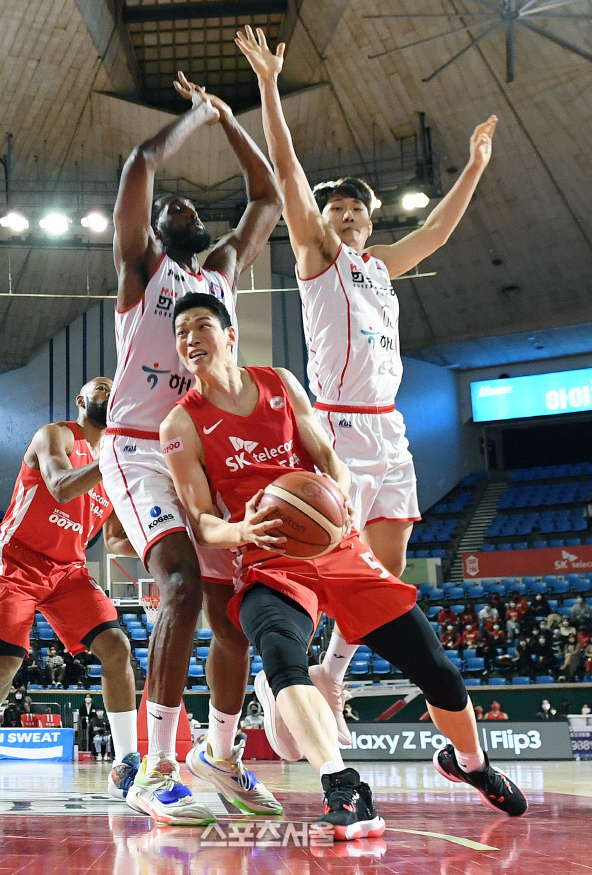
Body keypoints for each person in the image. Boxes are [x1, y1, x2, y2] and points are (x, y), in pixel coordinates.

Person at [158, 293, 526, 837]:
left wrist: (343, 491)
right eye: (181, 331)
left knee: (436, 670)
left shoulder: (280, 384)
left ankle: (471, 764)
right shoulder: (180, 424)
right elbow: (202, 521)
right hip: (265, 561)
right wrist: (242, 531)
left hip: (338, 547)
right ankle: (344, 788)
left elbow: (329, 457)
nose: (191, 339)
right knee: (282, 660)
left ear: (230, 334)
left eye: (202, 326)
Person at [236, 25, 498, 744]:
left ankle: (330, 673)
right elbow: (288, 175)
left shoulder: (380, 266)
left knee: (386, 567)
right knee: (326, 557)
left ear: (369, 219)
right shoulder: (318, 261)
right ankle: (278, 670)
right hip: (338, 425)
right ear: (318, 223)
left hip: (388, 426)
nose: (345, 216)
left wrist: (473, 165)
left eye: (355, 209)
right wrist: (267, 86)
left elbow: (438, 232)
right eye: (334, 210)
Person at [99, 72, 283, 826]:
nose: (176, 203)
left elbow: (266, 198)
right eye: (168, 206)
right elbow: (141, 161)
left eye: (188, 205)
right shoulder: (143, 269)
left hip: (200, 454)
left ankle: (221, 754)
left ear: (200, 227)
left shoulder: (221, 275)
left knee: (231, 615)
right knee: (176, 587)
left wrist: (236, 121)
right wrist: (197, 116)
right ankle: (155, 766)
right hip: (139, 448)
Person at [0, 378, 139, 800]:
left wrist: (165, 544)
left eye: (113, 387)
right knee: (6, 662)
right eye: (100, 386)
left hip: (67, 571)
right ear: (82, 401)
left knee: (118, 647)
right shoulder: (56, 435)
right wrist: (117, 464)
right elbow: (60, 485)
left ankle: (127, 762)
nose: (108, 391)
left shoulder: (113, 466)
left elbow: (114, 541)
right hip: (18, 559)